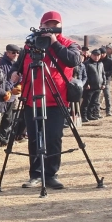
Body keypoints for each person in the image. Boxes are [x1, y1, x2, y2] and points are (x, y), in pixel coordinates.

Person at [10, 11, 82, 189]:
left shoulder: (69, 44)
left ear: (60, 26)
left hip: (56, 101)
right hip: (31, 100)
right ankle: (35, 175)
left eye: (54, 25)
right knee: (34, 139)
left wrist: (54, 42)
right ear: (40, 26)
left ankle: (50, 174)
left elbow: (73, 61)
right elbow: (18, 65)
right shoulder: (30, 45)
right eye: (47, 25)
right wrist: (14, 72)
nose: (50, 28)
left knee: (53, 138)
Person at [0, 44, 21, 146]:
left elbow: (19, 77)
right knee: (3, 119)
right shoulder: (2, 64)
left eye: (18, 53)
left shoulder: (16, 64)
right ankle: (1, 140)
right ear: (7, 53)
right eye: (13, 52)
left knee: (10, 118)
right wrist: (9, 90)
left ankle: (7, 138)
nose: (16, 54)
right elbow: (3, 80)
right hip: (4, 95)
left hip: (13, 95)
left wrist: (19, 85)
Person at [82, 49, 105, 122]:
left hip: (98, 86)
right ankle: (83, 116)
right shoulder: (87, 64)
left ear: (100, 56)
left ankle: (90, 115)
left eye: (98, 55)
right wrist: (86, 84)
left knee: (94, 102)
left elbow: (103, 74)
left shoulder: (101, 64)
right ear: (91, 55)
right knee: (86, 102)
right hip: (89, 87)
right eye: (94, 55)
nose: (96, 57)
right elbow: (84, 75)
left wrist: (103, 83)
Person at [102, 44, 112, 116]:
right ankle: (95, 111)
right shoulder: (97, 61)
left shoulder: (110, 61)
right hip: (97, 80)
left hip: (106, 80)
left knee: (107, 95)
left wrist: (104, 74)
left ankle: (108, 111)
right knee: (96, 97)